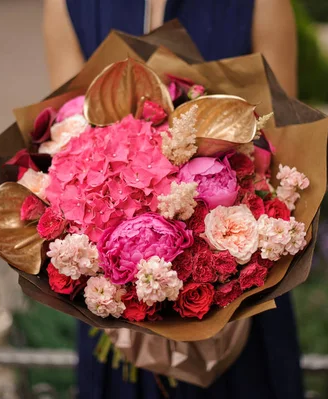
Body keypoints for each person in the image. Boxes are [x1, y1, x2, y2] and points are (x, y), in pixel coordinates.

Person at [43, 1, 302, 398]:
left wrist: (220, 274)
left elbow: (282, 144)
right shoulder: (66, 4)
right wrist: (111, 280)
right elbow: (68, 138)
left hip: (241, 303)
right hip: (114, 311)